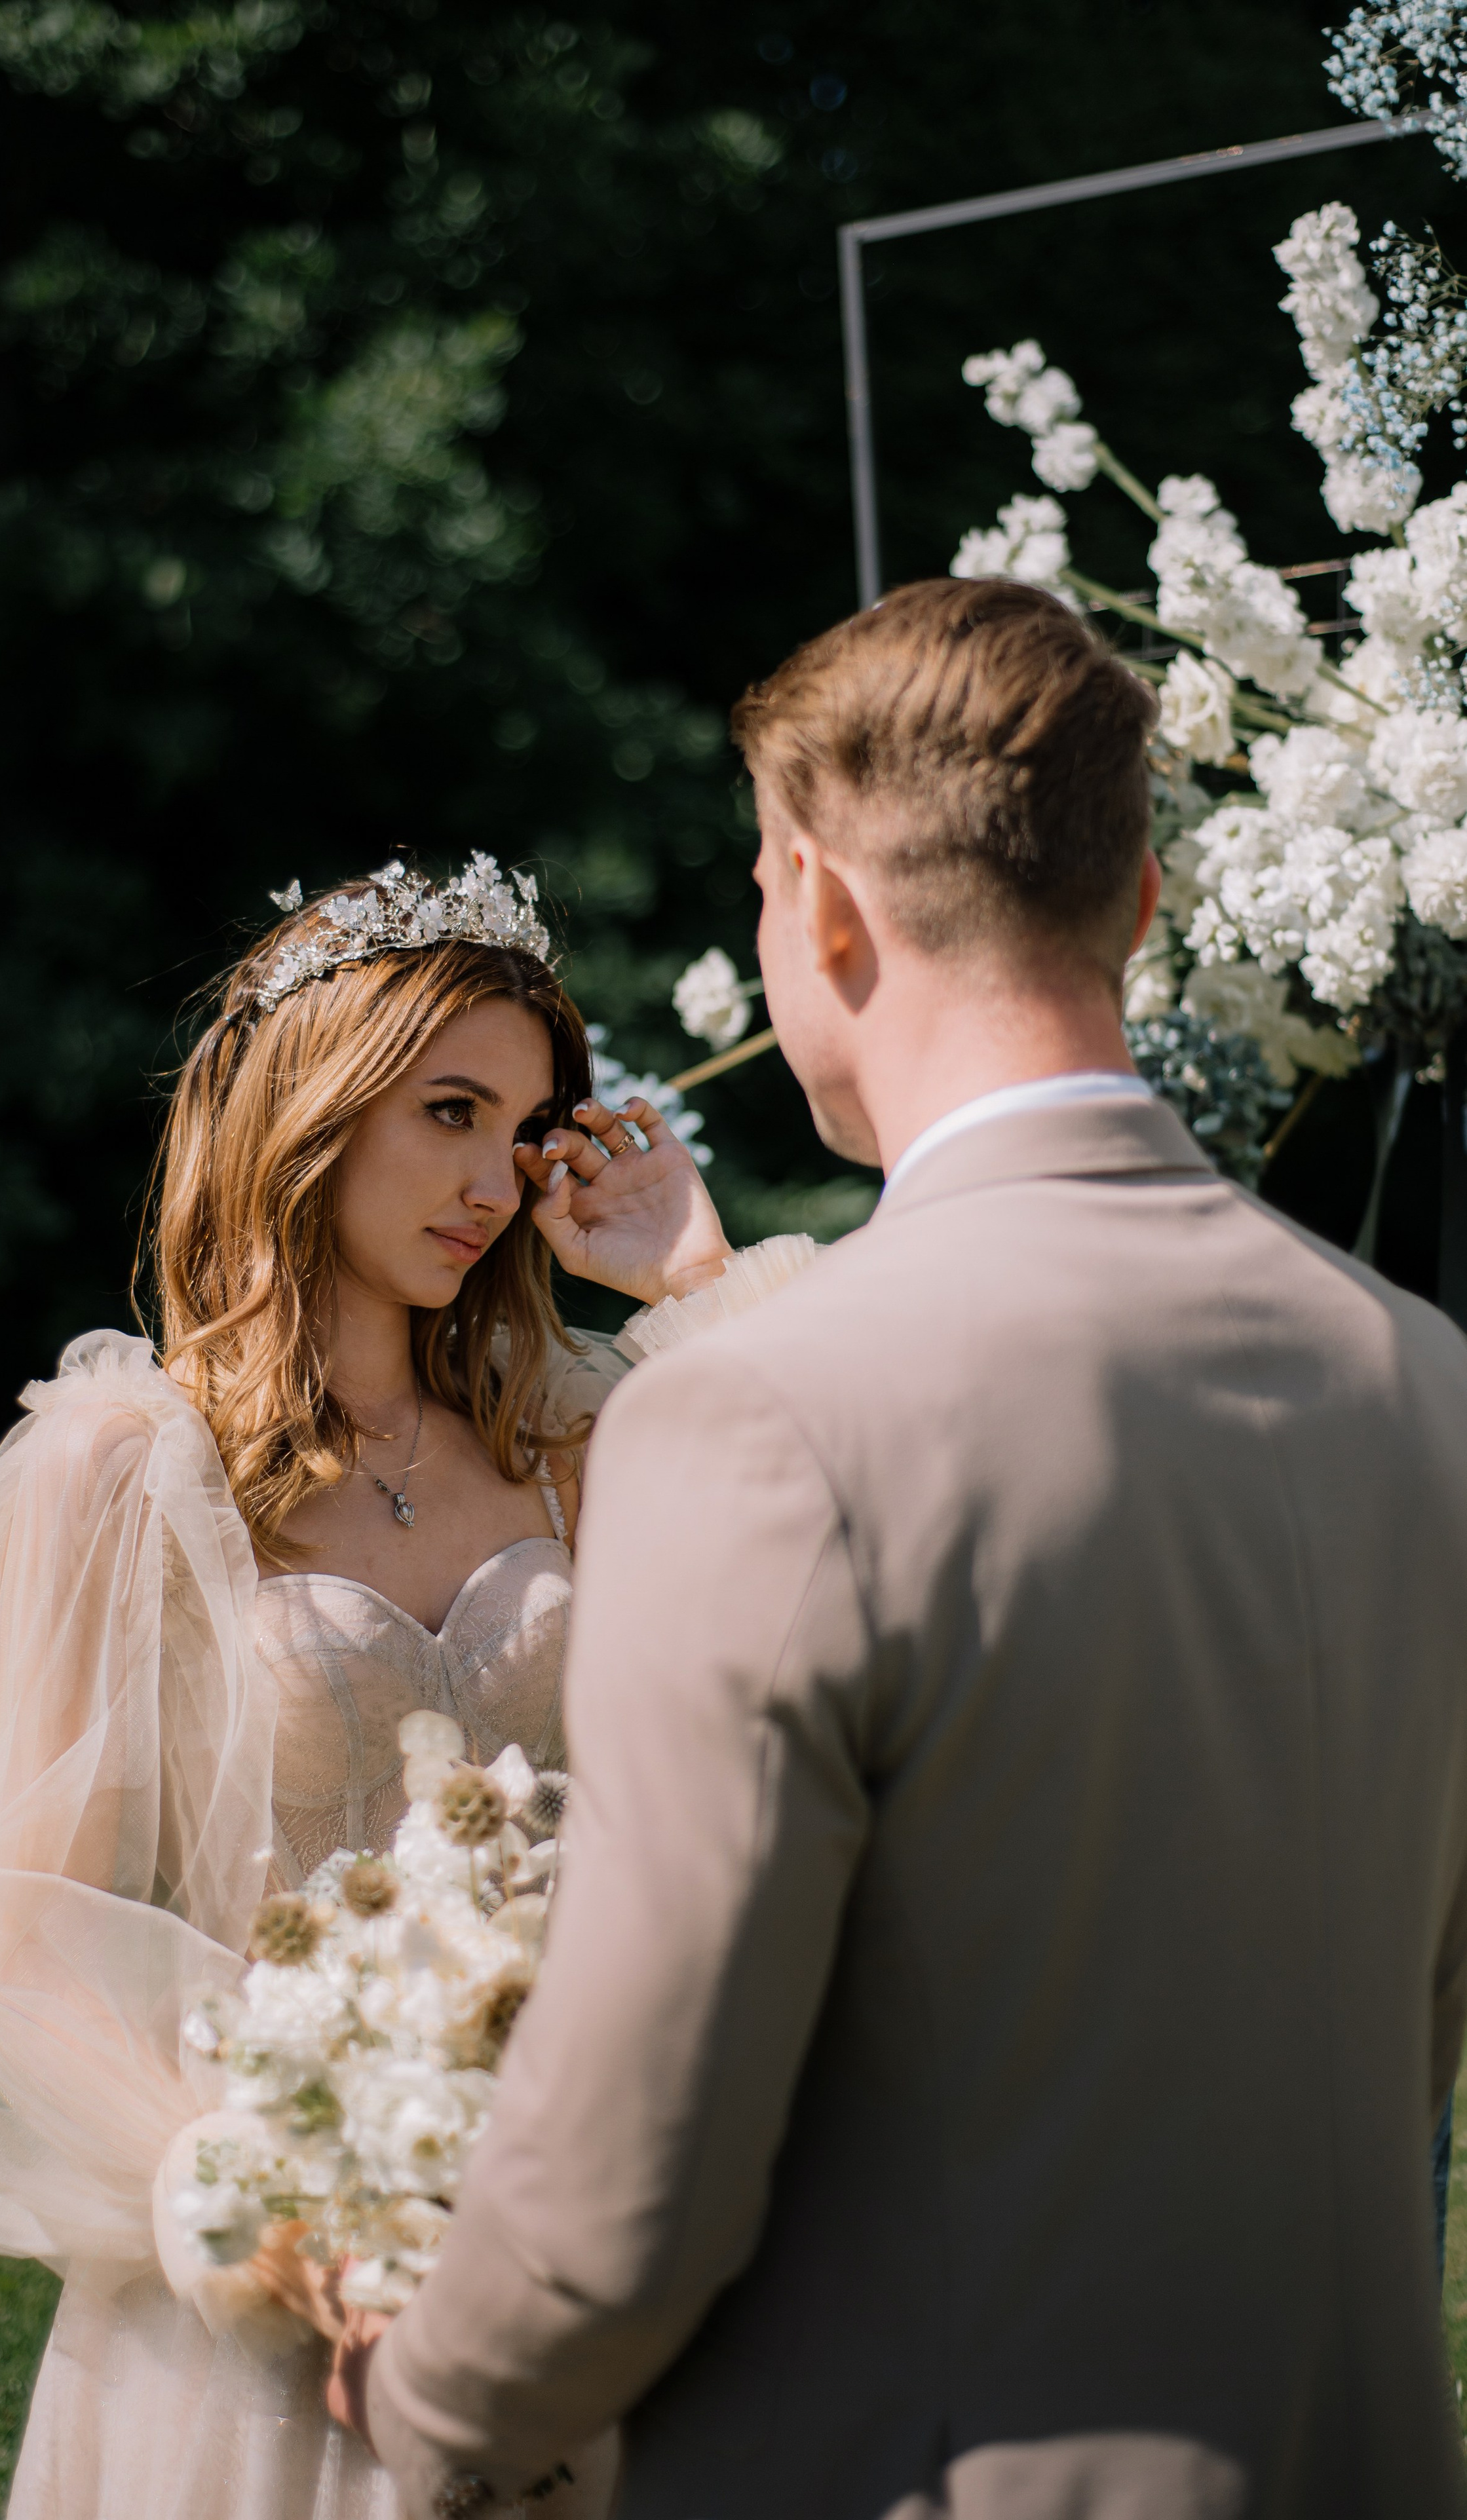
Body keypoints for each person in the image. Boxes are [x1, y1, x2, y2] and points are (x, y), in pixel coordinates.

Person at [360, 580, 1467, 2520]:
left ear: (823, 903)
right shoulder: (1425, 1384)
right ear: (1135, 907)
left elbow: (640, 2173)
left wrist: (437, 2406)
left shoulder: (760, 1420)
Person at [0, 853, 813, 2520]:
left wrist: (690, 1277)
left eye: (520, 1128)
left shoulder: (572, 1428)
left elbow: (841, 1582)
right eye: (446, 1109)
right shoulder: (117, 1471)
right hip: (281, 2277)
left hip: (586, 2207)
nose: (494, 1181)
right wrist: (296, 2223)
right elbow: (19, 1933)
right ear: (314, 1101)